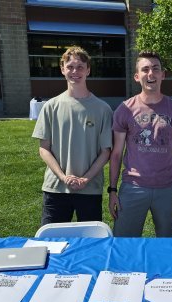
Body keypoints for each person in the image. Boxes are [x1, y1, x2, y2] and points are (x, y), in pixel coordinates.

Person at [108, 51, 172, 237]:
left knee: (165, 243)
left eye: (155, 69)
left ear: (163, 74)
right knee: (124, 242)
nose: (150, 74)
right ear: (137, 76)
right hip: (133, 187)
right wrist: (112, 190)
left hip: (167, 188)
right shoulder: (125, 109)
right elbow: (116, 154)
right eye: (145, 69)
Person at [32, 46, 113, 225]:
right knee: (52, 241)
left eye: (80, 67)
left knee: (91, 243)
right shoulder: (51, 106)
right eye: (70, 67)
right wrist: (63, 177)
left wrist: (86, 179)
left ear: (88, 70)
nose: (75, 71)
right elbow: (44, 149)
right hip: (56, 188)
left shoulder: (103, 109)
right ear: (62, 69)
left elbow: (105, 152)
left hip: (90, 189)